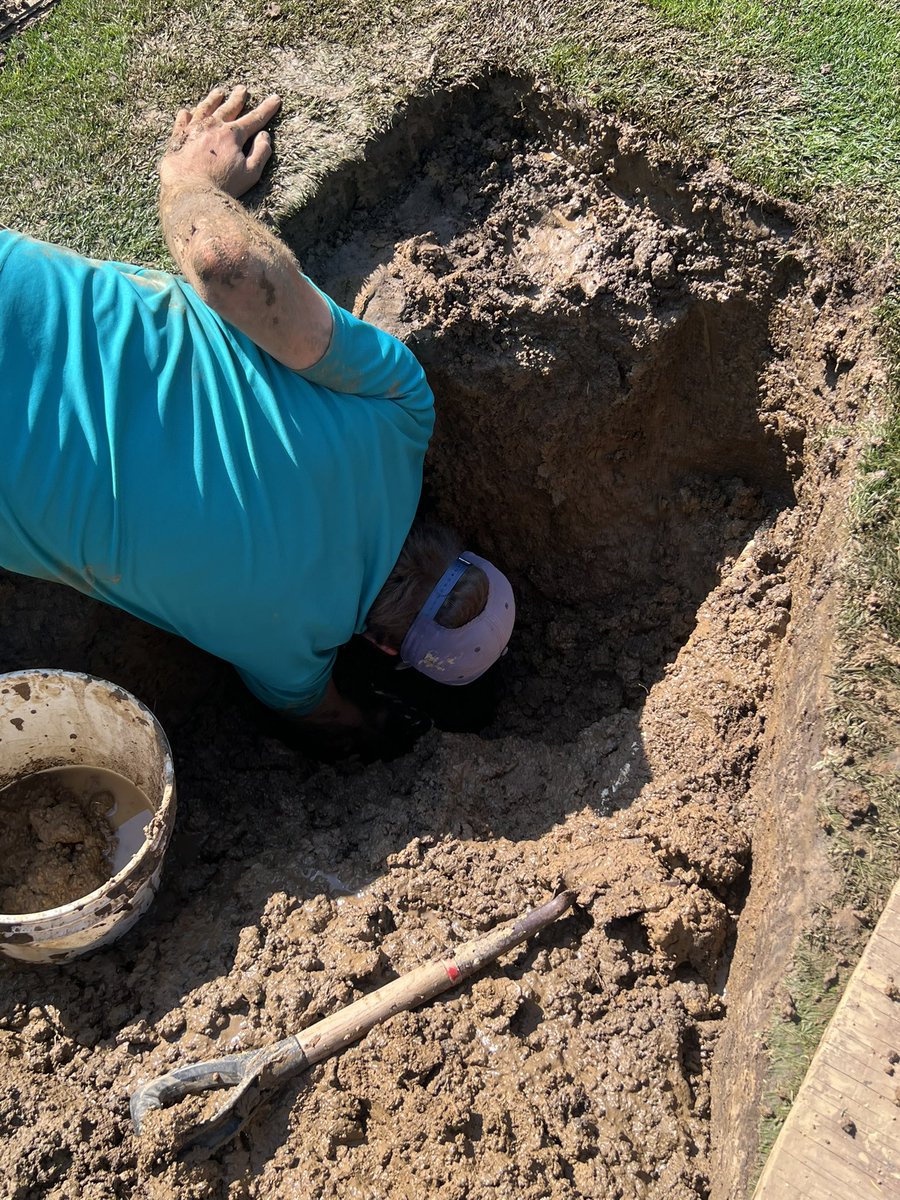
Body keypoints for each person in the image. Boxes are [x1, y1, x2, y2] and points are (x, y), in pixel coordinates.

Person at [0, 85, 515, 757]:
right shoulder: (288, 648)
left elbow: (226, 266)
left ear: (458, 540)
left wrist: (191, 185)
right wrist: (376, 729)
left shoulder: (400, 410)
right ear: (384, 644)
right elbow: (325, 720)